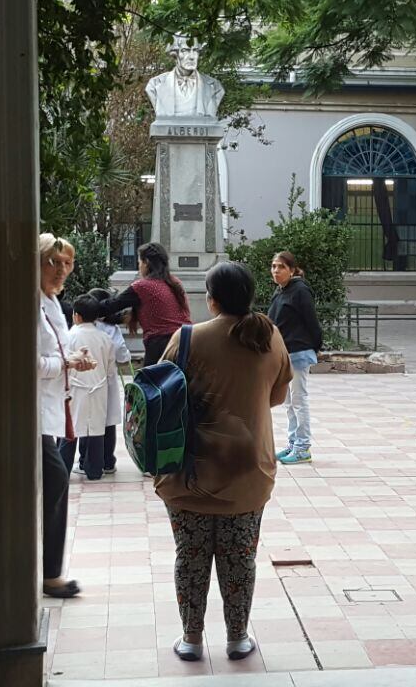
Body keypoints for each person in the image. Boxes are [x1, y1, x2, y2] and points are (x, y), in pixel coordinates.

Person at [156, 261, 293, 662]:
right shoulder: (269, 335)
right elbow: (277, 397)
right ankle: (237, 638)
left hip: (189, 473)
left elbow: (163, 398)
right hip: (248, 471)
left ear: (212, 299)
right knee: (240, 558)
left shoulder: (187, 338)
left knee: (190, 557)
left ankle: (191, 639)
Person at [37, 233, 94, 598]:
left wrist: (73, 362)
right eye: (53, 262)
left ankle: (49, 571)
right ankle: (47, 571)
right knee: (56, 479)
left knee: (55, 483)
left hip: (52, 407)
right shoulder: (31, 304)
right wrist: (65, 363)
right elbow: (27, 360)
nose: (61, 271)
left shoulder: (53, 304)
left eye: (67, 264)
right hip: (32, 410)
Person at [268, 251, 322, 465]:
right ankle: (293, 442)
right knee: (288, 402)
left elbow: (312, 322)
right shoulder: (280, 291)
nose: (276, 271)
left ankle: (303, 448)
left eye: (281, 267)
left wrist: (315, 347)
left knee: (299, 400)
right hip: (283, 353)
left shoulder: (300, 291)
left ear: (292, 269)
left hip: (298, 353)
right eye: (273, 266)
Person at [99, 242, 191, 367]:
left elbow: (111, 305)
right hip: (187, 343)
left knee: (151, 385)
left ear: (146, 262)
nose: (139, 267)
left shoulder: (143, 286)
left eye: (139, 263)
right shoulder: (175, 283)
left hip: (162, 346)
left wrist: (86, 307)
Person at [61, 294, 116, 481]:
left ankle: (63, 469)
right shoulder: (105, 338)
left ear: (76, 315)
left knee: (70, 430)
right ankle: (94, 470)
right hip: (98, 388)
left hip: (74, 389)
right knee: (96, 430)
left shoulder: (69, 336)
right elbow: (110, 368)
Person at [90, 287, 133, 475]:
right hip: (107, 379)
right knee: (108, 422)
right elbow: (122, 355)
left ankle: (87, 461)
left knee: (88, 421)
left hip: (87, 380)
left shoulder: (82, 328)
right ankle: (108, 461)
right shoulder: (111, 329)